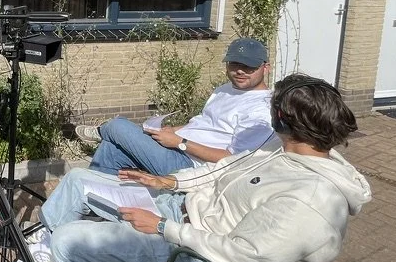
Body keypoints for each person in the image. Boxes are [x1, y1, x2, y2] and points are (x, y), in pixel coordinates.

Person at [41, 73, 371, 262]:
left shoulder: (311, 198)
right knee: (76, 181)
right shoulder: (279, 147)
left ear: (284, 119)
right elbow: (222, 168)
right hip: (183, 210)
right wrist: (169, 181)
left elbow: (245, 261)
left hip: (199, 255)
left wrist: (163, 228)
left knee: (69, 241)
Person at [77, 38, 274, 176]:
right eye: (234, 64)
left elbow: (233, 159)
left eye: (249, 66)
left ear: (266, 67)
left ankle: (102, 130)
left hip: (190, 165)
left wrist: (180, 142)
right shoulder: (225, 89)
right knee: (111, 149)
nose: (239, 71)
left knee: (119, 126)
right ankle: (92, 201)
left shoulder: (261, 110)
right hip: (176, 147)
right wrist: (173, 130)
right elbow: (204, 123)